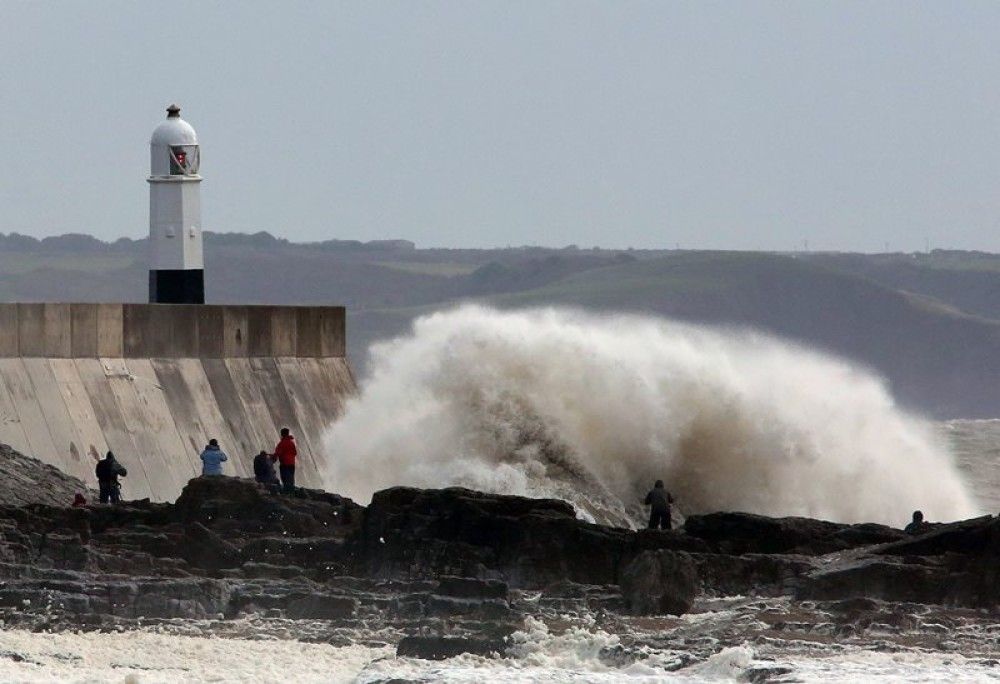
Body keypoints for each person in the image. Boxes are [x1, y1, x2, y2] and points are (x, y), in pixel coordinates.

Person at [274, 427, 298, 494]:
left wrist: (272, 458)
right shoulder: (292, 443)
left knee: (285, 479)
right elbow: (295, 453)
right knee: (291, 479)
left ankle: (287, 493)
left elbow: (278, 453)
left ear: (282, 434)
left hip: (284, 464)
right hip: (292, 464)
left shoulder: (282, 443)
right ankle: (291, 492)